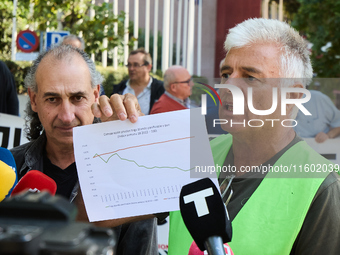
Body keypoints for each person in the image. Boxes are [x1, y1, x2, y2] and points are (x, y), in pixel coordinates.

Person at [167, 18, 340, 255]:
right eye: (226, 73)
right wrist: (111, 133)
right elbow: (115, 210)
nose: (228, 86)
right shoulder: (196, 154)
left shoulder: (321, 188)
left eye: (250, 77)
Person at [10, 45, 158, 255]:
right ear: (33, 99)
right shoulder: (8, 168)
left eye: (77, 98)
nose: (67, 116)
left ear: (96, 94)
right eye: (52, 99)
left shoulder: (126, 175)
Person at [112, 48, 164, 115]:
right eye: (129, 65)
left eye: (136, 65)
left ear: (148, 67)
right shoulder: (119, 88)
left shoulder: (160, 89)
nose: (131, 68)